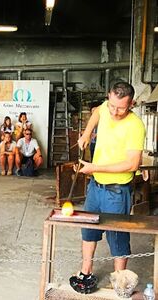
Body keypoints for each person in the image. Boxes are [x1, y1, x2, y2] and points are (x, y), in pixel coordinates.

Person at [69, 82, 145, 295]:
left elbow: (132, 164)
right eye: (112, 105)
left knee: (117, 236)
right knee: (88, 230)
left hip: (117, 191)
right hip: (95, 187)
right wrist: (86, 134)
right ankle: (86, 272)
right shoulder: (106, 106)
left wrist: (95, 168)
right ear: (108, 98)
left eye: (121, 108)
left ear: (131, 104)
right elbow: (97, 114)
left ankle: (119, 281)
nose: (114, 111)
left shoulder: (135, 125)